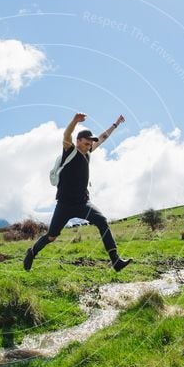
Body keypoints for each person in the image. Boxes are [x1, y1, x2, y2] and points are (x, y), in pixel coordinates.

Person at [24, 112, 132, 272]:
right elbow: (66, 134)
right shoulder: (70, 150)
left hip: (83, 203)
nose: (89, 146)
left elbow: (103, 137)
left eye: (90, 144)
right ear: (78, 141)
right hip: (65, 205)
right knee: (51, 237)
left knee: (102, 221)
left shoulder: (88, 154)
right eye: (87, 143)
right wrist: (74, 121)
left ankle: (115, 261)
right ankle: (32, 252)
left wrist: (115, 124)